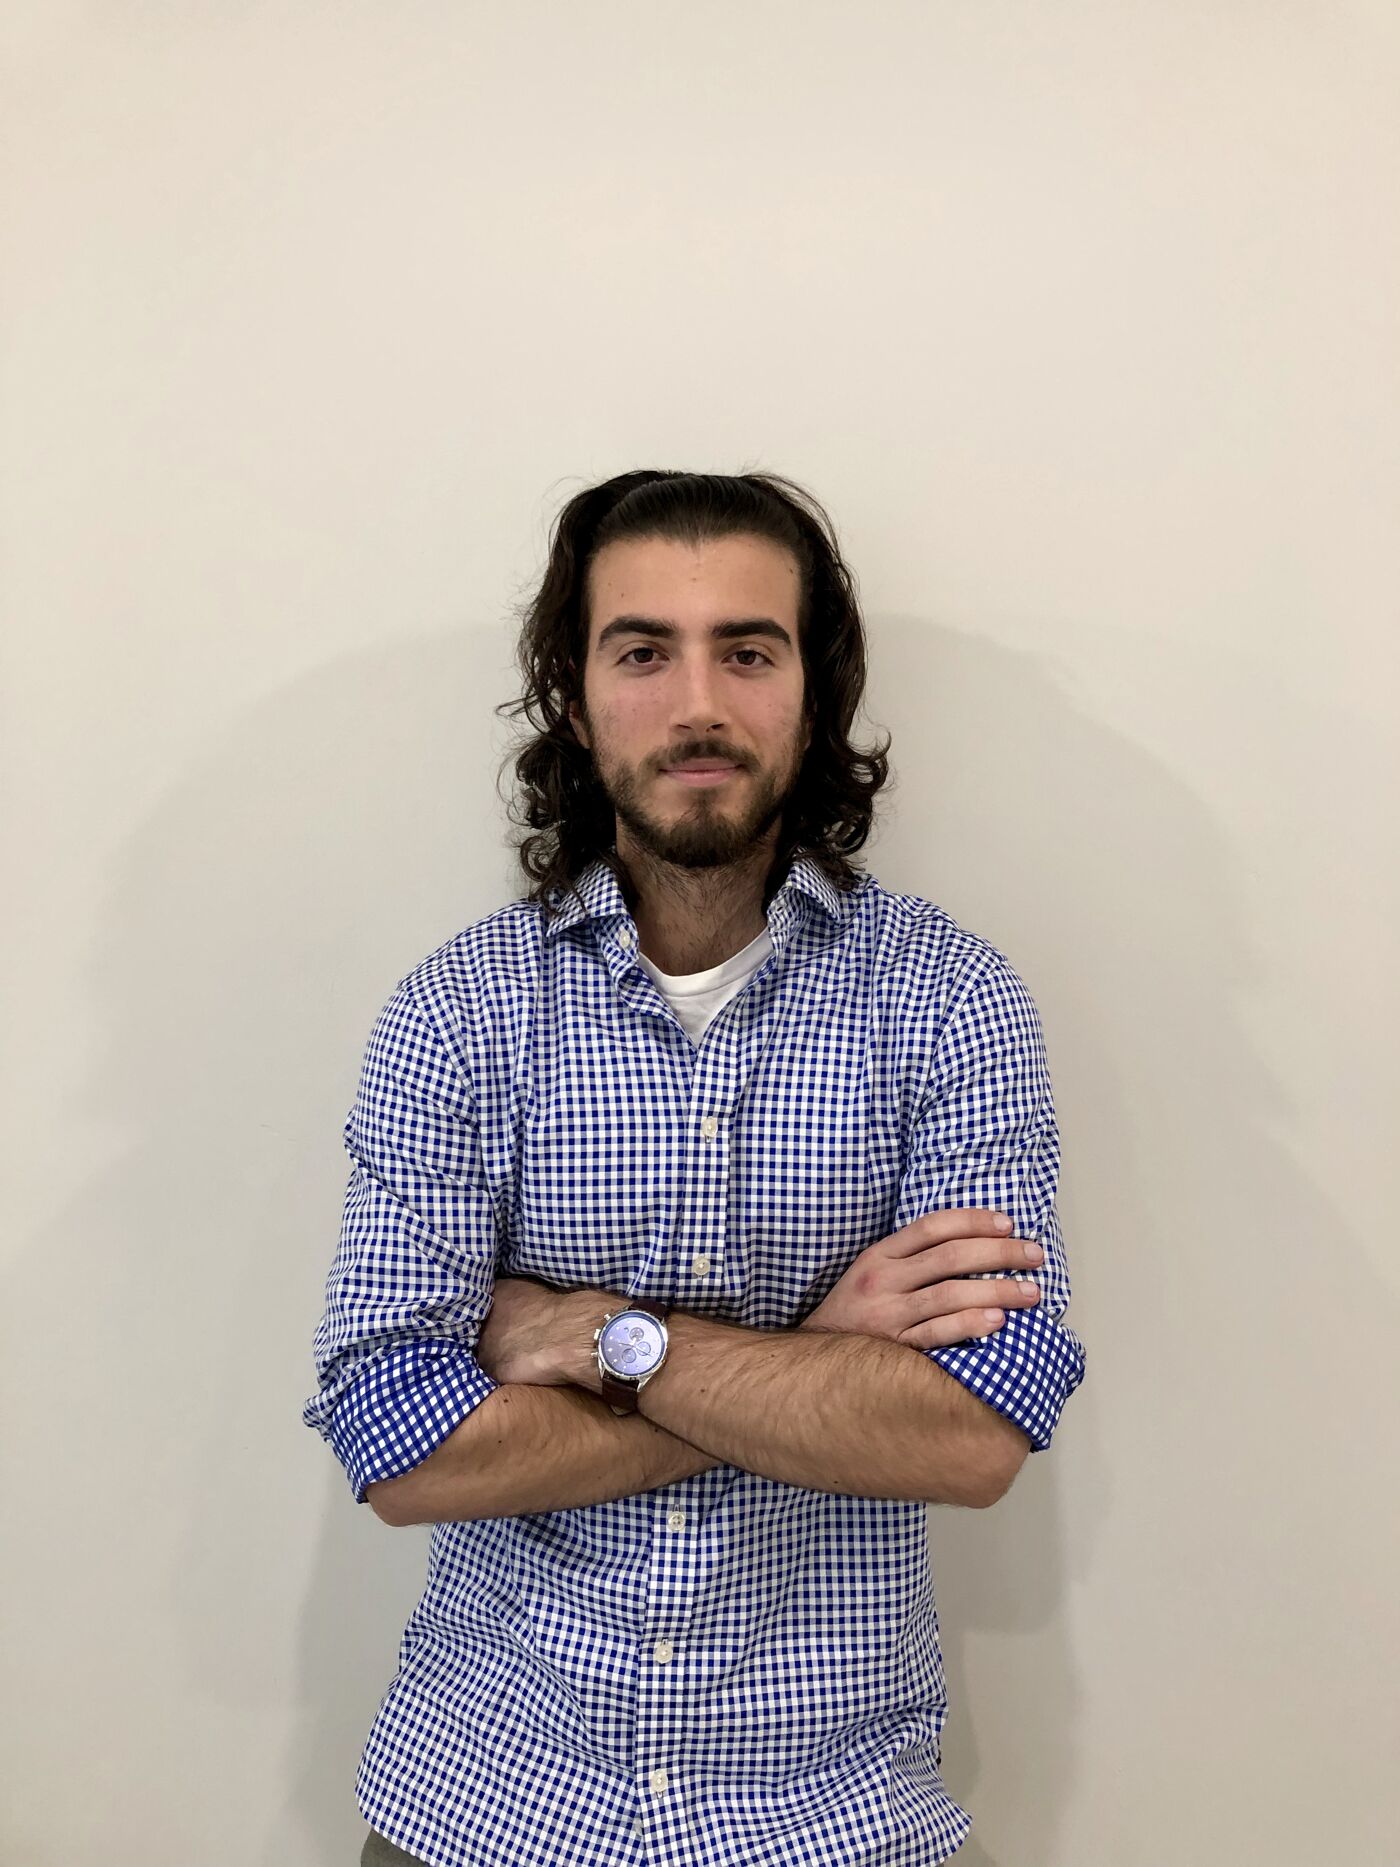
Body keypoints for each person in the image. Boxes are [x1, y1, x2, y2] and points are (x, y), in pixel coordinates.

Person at [303, 469, 1087, 1867]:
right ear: (572, 683)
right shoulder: (458, 1015)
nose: (698, 706)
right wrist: (818, 1358)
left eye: (748, 649)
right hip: (485, 1809)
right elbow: (400, 1449)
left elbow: (973, 1435)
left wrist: (594, 1339)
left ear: (815, 683)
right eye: (643, 650)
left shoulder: (953, 1004)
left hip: (836, 1822)